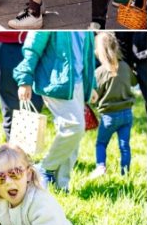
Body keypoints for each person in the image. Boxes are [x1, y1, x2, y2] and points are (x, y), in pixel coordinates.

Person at [14, 31, 95, 192]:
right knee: (74, 127)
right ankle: (44, 168)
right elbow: (32, 46)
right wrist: (25, 78)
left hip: (77, 84)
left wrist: (92, 85)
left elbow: (87, 56)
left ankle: (61, 185)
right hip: (56, 82)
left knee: (73, 139)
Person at [88, 32, 137, 178]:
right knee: (124, 146)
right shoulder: (124, 66)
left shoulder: (100, 72)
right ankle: (125, 174)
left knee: (101, 143)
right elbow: (133, 82)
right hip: (127, 114)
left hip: (109, 116)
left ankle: (101, 166)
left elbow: (93, 97)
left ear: (98, 51)